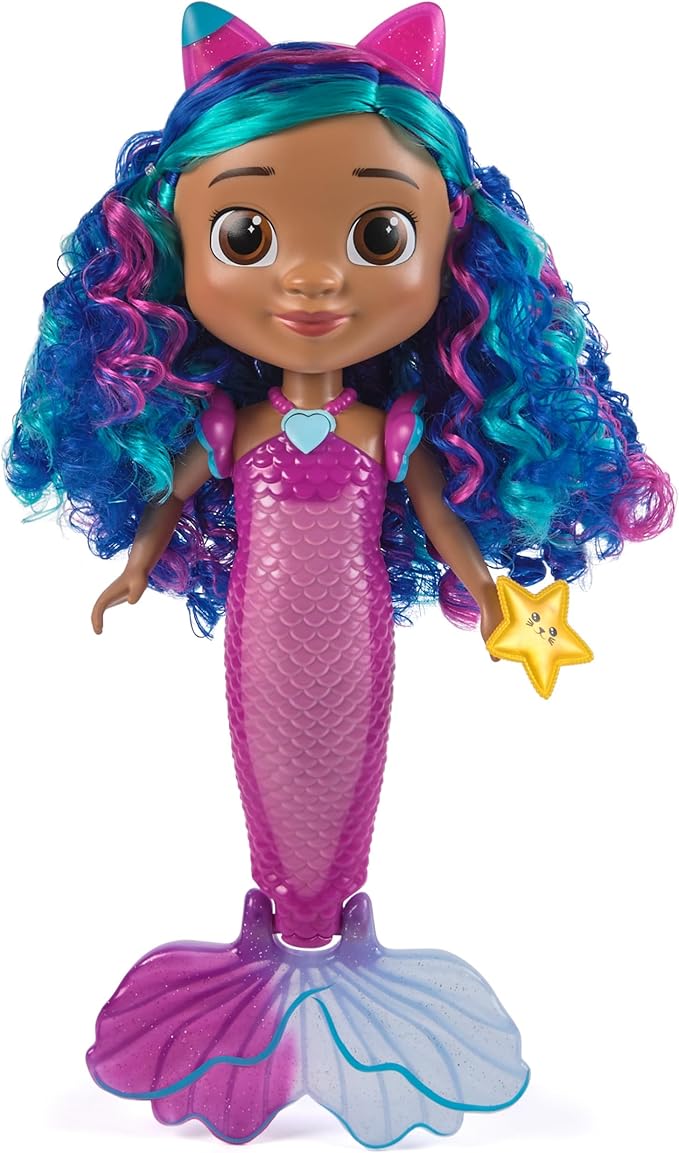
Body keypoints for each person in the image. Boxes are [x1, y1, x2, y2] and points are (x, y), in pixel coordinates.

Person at [4, 3, 673, 1146]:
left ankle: (332, 933)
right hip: (259, 639)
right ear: (168, 250)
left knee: (343, 788)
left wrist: (499, 601)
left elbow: (442, 523)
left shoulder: (389, 429)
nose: (312, 278)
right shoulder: (232, 425)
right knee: (269, 782)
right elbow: (167, 502)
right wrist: (134, 569)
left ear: (452, 252)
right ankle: (272, 937)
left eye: (375, 235)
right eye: (246, 236)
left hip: (353, 643)